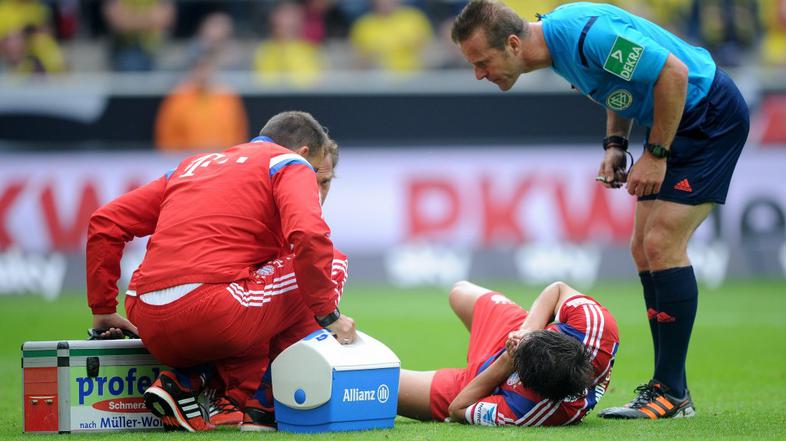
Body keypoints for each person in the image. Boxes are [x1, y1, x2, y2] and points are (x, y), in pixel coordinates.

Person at [450, 0, 749, 419]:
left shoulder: (589, 37)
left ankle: (672, 392)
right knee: (643, 249)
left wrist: (658, 154)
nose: (479, 74)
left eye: (482, 62)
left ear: (514, 44)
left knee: (661, 244)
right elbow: (620, 87)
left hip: (706, 116)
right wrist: (617, 146)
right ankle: (669, 390)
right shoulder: (561, 48)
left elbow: (672, 73)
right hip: (680, 116)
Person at [86, 111, 357, 431]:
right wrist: (330, 316)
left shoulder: (191, 167)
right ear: (302, 155)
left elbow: (105, 223)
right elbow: (310, 236)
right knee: (327, 261)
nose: (318, 190)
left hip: (144, 314)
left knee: (258, 276)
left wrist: (103, 309)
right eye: (316, 177)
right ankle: (264, 407)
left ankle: (186, 382)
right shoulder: (289, 163)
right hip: (214, 310)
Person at [397, 280, 619, 426]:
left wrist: (506, 360)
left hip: (482, 382)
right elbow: (558, 289)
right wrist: (526, 332)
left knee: (385, 385)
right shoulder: (594, 326)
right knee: (459, 291)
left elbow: (457, 408)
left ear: (526, 381)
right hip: (514, 328)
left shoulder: (527, 410)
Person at [154, 50, 249, 152]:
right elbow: (167, 136)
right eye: (200, 69)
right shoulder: (177, 98)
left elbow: (239, 132)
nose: (204, 74)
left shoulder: (228, 97)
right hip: (188, 160)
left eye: (207, 68)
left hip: (223, 159)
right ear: (192, 71)